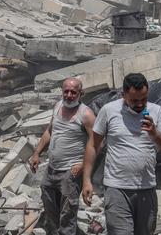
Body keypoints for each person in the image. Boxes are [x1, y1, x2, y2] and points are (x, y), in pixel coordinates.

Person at [81, 73, 161, 235]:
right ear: (123, 95)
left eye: (143, 99)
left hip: (147, 189)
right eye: (134, 100)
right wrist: (86, 180)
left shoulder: (156, 111)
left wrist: (155, 134)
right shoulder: (109, 111)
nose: (140, 104)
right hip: (117, 190)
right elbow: (93, 145)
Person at [29, 78, 96, 235]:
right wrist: (37, 153)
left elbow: (97, 143)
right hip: (52, 169)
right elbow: (50, 131)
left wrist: (82, 165)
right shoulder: (58, 106)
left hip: (70, 173)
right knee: (48, 200)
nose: (69, 95)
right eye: (66, 91)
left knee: (67, 214)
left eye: (73, 92)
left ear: (81, 93)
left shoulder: (86, 114)